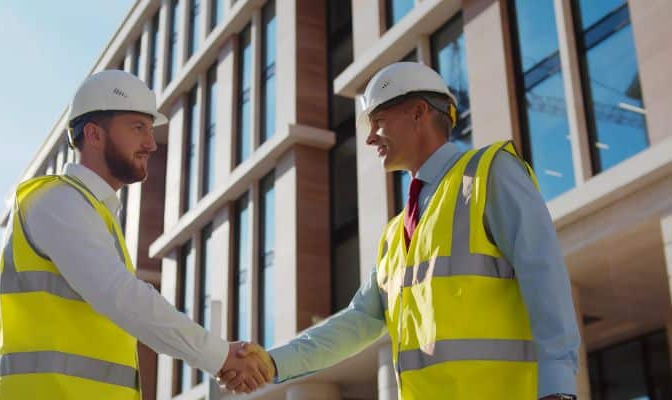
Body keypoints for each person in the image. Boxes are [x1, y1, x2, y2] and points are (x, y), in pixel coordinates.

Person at [219, 62, 580, 400]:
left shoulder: (488, 174)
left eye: (378, 122)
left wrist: (558, 387)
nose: (370, 139)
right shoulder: (396, 233)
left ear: (418, 113)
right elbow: (360, 320)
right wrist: (273, 361)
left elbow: (543, 273)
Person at [0, 70, 272, 400]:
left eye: (151, 130)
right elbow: (122, 296)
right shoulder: (58, 201)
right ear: (94, 134)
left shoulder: (96, 214)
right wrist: (220, 356)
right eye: (138, 127)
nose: (151, 143)